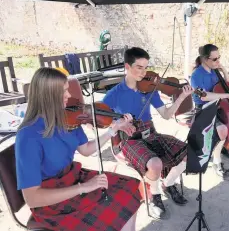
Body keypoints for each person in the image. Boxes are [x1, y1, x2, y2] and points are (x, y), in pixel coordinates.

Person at [15, 67, 141, 231]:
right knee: (109, 211)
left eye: (67, 90)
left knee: (130, 187)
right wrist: (83, 187)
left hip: (74, 176)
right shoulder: (28, 136)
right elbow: (32, 198)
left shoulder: (67, 118)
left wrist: (113, 129)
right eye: (63, 92)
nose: (69, 96)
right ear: (47, 96)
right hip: (53, 200)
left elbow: (87, 149)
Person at [102, 47, 192, 220]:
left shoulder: (150, 88)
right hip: (129, 139)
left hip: (151, 134)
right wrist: (118, 125)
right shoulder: (114, 94)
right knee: (156, 164)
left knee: (190, 152)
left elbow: (166, 115)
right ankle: (154, 195)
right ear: (127, 66)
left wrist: (180, 97)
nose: (144, 73)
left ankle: (168, 183)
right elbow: (98, 120)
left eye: (146, 67)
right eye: (139, 67)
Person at [190, 44, 229, 181]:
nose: (217, 61)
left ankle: (222, 146)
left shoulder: (214, 70)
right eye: (214, 59)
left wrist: (223, 70)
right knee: (223, 129)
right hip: (204, 108)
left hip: (219, 106)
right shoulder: (196, 75)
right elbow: (204, 96)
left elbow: (226, 85)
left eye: (219, 58)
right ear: (205, 59)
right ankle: (216, 161)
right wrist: (226, 96)